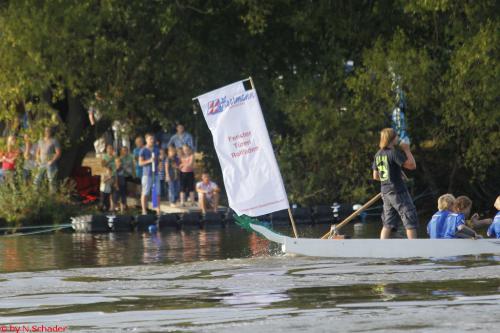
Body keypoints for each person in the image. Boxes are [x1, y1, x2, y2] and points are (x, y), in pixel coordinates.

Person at [372, 128, 418, 239]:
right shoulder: (393, 153)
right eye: (396, 136)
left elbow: (376, 176)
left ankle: (382, 248)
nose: (398, 138)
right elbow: (412, 165)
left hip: (385, 192)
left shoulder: (378, 154)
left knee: (388, 222)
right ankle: (414, 250)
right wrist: (407, 150)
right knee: (409, 217)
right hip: (398, 191)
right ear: (392, 139)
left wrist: (394, 175)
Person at [34, 127, 61, 192]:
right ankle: (35, 194)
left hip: (50, 164)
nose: (47, 132)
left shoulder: (54, 141)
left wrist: (52, 161)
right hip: (41, 163)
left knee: (51, 180)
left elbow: (58, 153)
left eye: (49, 130)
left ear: (51, 132)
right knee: (37, 180)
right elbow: (37, 152)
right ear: (44, 131)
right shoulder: (40, 141)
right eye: (46, 130)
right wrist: (37, 159)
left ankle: (53, 195)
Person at [139, 133, 160, 215]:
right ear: (146, 140)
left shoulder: (156, 149)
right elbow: (140, 163)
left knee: (157, 192)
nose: (152, 140)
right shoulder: (143, 150)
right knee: (145, 192)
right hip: (147, 174)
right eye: (150, 139)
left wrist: (159, 164)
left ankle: (157, 208)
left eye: (153, 139)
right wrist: (149, 161)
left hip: (156, 174)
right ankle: (144, 210)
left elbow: (158, 160)